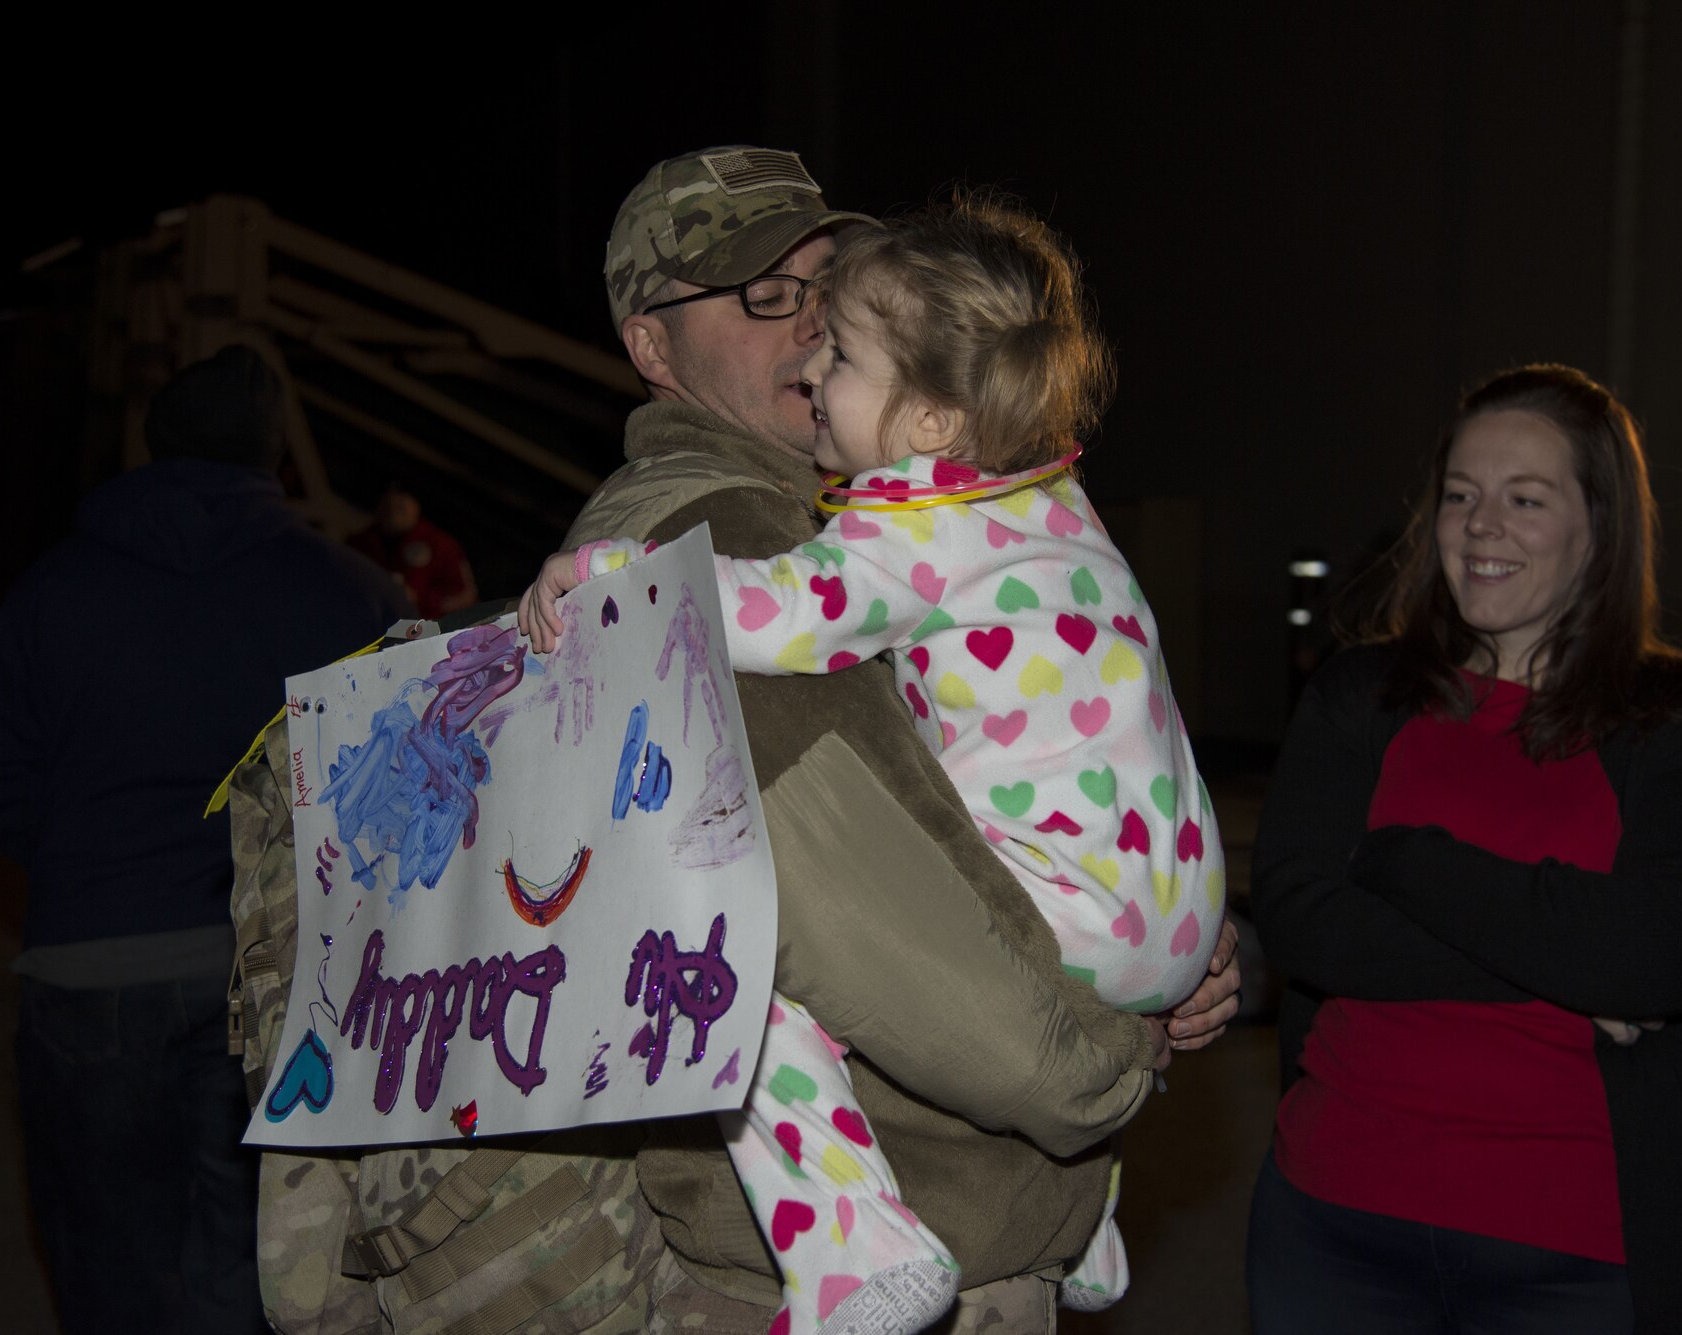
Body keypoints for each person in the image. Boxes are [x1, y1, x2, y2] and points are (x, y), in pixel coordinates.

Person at [521, 197, 1226, 1331]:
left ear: (934, 418)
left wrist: (615, 576)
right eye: (764, 298)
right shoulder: (1041, 493)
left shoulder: (898, 523)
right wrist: (1134, 1017)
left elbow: (774, 614)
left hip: (1065, 952)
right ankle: (1087, 1217)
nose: (806, 343)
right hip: (1167, 896)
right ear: (650, 347)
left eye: (827, 306)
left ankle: (851, 1248)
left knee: (729, 990)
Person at [1245, 364, 1682, 1334]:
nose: (1479, 525)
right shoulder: (1361, 693)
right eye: (1459, 496)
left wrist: (1400, 859)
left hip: (1577, 1251)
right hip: (1335, 1218)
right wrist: (1581, 957)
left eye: (1524, 499)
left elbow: (1672, 953)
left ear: (1599, 527)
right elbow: (1305, 928)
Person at [0, 344, 413, 1335]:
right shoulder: (353, 594)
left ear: (153, 444)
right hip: (277, 981)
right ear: (272, 459)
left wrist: (95, 877)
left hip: (89, 967)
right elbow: (398, 803)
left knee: (107, 1255)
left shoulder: (50, 592)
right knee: (256, 1260)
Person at [349, 482, 480, 619]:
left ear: (416, 506)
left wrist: (418, 599)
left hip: (423, 630)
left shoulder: (441, 545)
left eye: (401, 508)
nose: (393, 513)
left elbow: (465, 596)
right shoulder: (361, 542)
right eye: (387, 507)